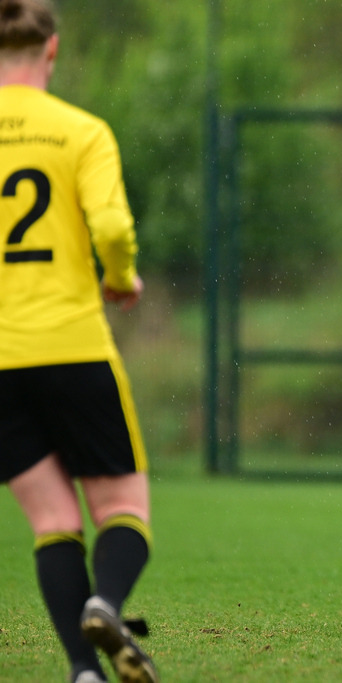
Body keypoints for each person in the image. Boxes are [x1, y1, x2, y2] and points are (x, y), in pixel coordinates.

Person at [0, 1, 157, 681]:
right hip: (72, 343)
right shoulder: (80, 132)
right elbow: (114, 232)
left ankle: (82, 670)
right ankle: (106, 601)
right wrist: (120, 278)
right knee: (122, 508)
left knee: (52, 519)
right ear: (52, 49)